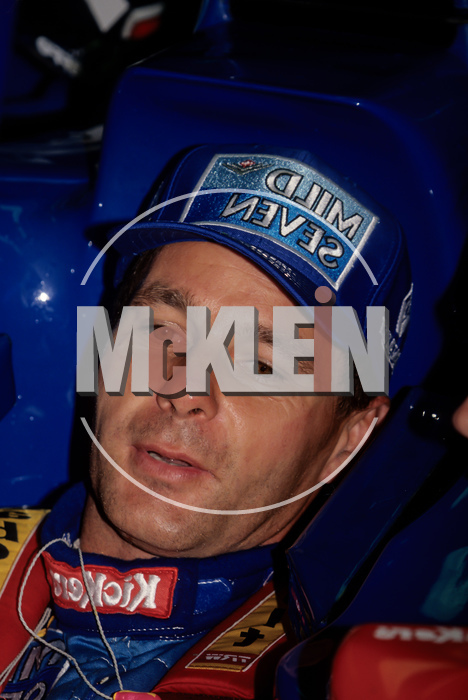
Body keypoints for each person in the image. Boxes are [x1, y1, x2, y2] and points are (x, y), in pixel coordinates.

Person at [0, 145, 412, 699]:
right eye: (162, 332)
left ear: (349, 440)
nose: (185, 389)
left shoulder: (326, 676)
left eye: (262, 366)